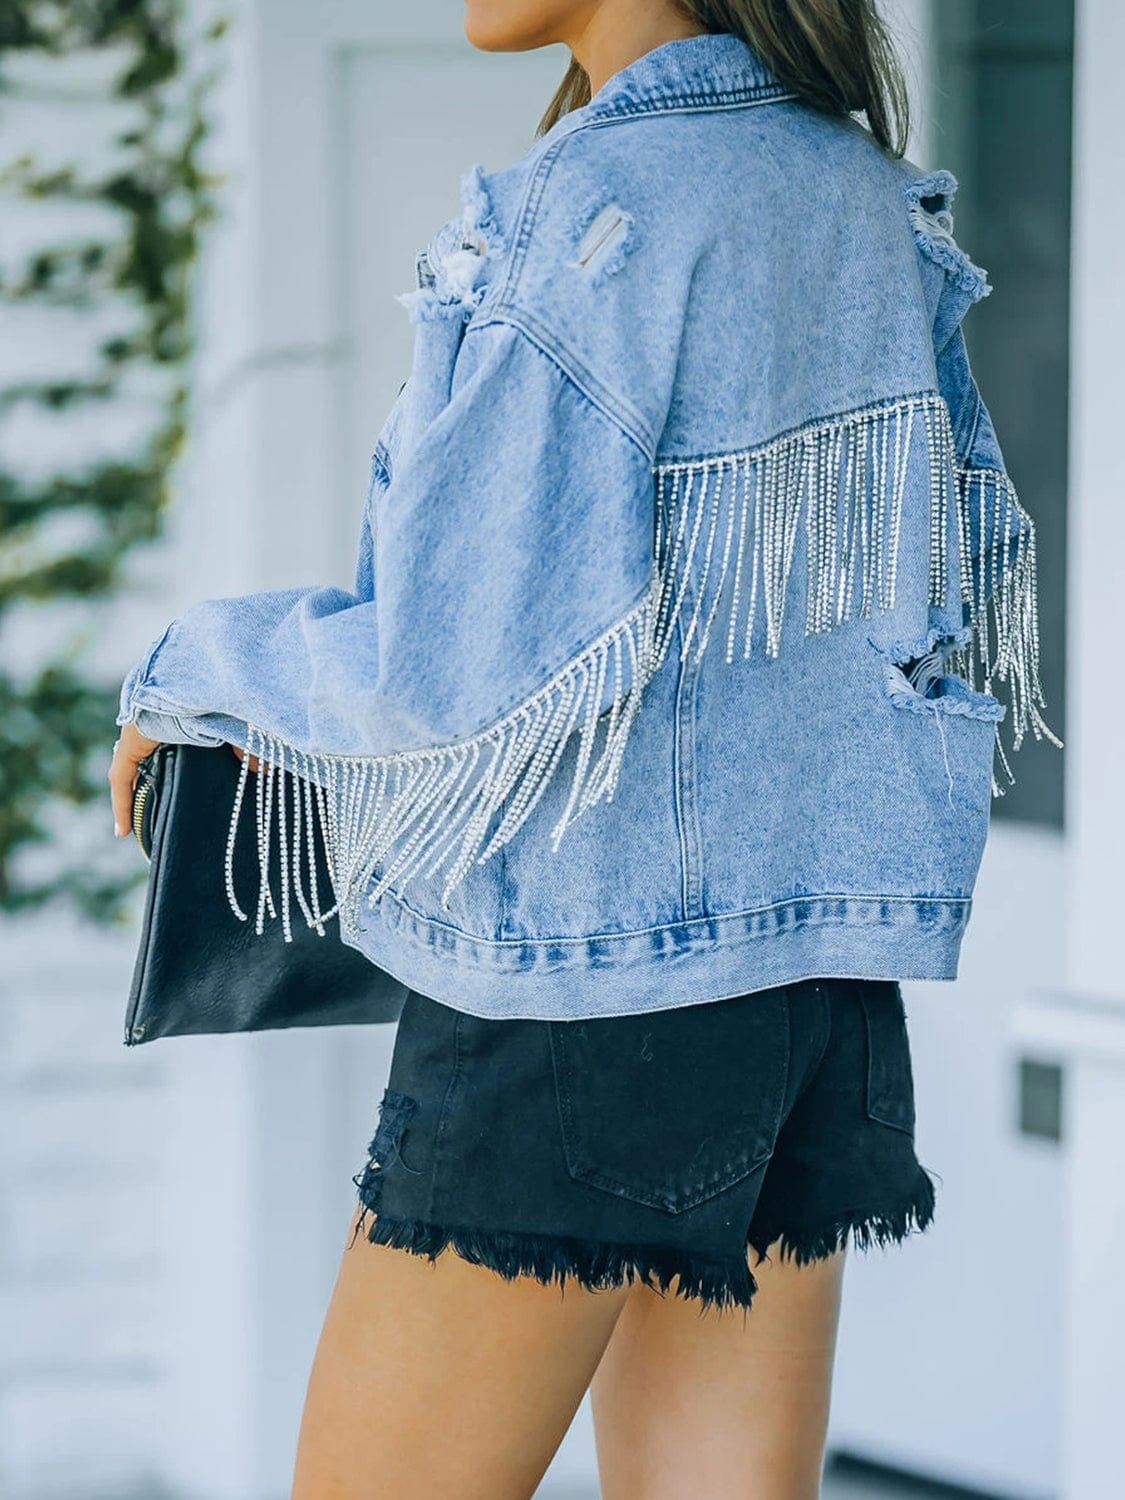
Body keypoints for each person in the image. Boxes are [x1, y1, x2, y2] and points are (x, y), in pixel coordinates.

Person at [107, 3, 1060, 1496]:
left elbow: (450, 668)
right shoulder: (859, 196)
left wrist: (193, 676)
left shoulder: (587, 211)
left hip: (580, 994)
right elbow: (941, 594)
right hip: (802, 988)